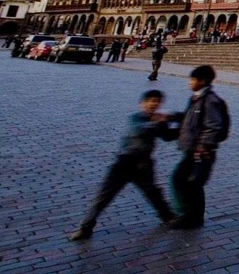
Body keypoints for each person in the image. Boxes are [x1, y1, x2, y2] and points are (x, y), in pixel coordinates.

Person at [68, 90, 178, 240]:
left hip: (144, 164)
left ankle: (168, 217)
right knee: (103, 196)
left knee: (153, 192)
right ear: (142, 103)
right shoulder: (135, 118)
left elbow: (168, 136)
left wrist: (185, 127)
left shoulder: (158, 121)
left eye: (157, 101)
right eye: (151, 101)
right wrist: (159, 121)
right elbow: (140, 129)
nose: (154, 104)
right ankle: (85, 227)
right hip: (124, 163)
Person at [169, 65, 229, 230]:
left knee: (184, 180)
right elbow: (187, 117)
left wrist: (203, 146)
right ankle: (193, 217)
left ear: (203, 81)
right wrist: (169, 116)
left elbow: (213, 126)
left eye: (193, 79)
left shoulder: (210, 100)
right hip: (192, 148)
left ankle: (188, 216)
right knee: (190, 182)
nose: (190, 83)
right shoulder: (196, 98)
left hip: (201, 151)